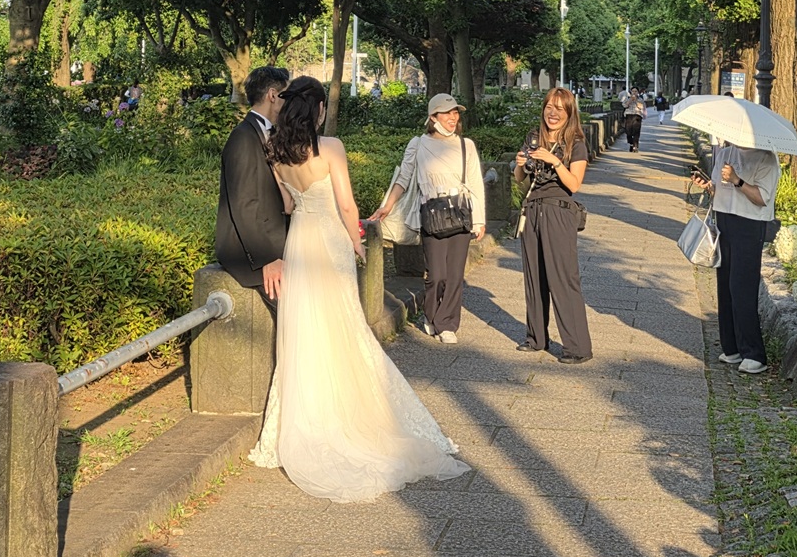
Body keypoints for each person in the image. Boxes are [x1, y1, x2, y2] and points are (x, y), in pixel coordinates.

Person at [249, 76, 469, 501]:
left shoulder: (275, 150)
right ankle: (351, 413)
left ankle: (308, 416)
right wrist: (356, 241)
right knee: (344, 326)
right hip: (330, 241)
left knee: (306, 330)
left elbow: (288, 205)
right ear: (317, 109)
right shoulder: (330, 147)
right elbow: (347, 204)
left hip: (299, 242)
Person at [369, 94, 485, 344]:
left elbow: (475, 183)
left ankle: (447, 324)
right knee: (436, 274)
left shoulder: (466, 145)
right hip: (432, 213)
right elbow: (404, 178)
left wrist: (479, 220)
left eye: (456, 113)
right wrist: (387, 206)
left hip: (460, 211)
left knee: (455, 275)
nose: (453, 118)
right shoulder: (419, 144)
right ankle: (432, 315)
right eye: (447, 113)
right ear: (433, 117)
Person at [513, 87, 593, 363]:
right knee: (534, 276)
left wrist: (555, 161)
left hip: (559, 212)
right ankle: (535, 338)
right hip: (532, 209)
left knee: (563, 278)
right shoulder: (533, 138)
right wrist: (520, 163)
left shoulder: (576, 143)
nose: (553, 113)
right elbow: (520, 179)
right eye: (549, 107)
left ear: (569, 113)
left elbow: (574, 184)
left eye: (560, 108)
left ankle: (577, 348)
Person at [694, 142, 781, 374]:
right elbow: (718, 191)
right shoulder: (725, 153)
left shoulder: (766, 158)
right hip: (725, 220)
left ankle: (754, 353)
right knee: (725, 285)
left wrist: (737, 180)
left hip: (749, 224)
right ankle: (731, 347)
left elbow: (762, 197)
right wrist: (707, 185)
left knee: (742, 286)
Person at [215, 66, 291, 305]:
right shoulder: (243, 138)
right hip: (251, 255)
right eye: (286, 95)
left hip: (277, 244)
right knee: (293, 310)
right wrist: (267, 259)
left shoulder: (270, 133)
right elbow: (244, 203)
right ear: (272, 95)